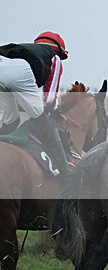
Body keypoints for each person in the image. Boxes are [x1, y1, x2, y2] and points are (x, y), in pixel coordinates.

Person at [0, 31, 71, 174]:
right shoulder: (54, 57)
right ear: (58, 50)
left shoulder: (27, 51)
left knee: (11, 120)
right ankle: (64, 171)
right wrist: (52, 107)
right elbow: (49, 98)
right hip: (19, 72)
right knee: (42, 120)